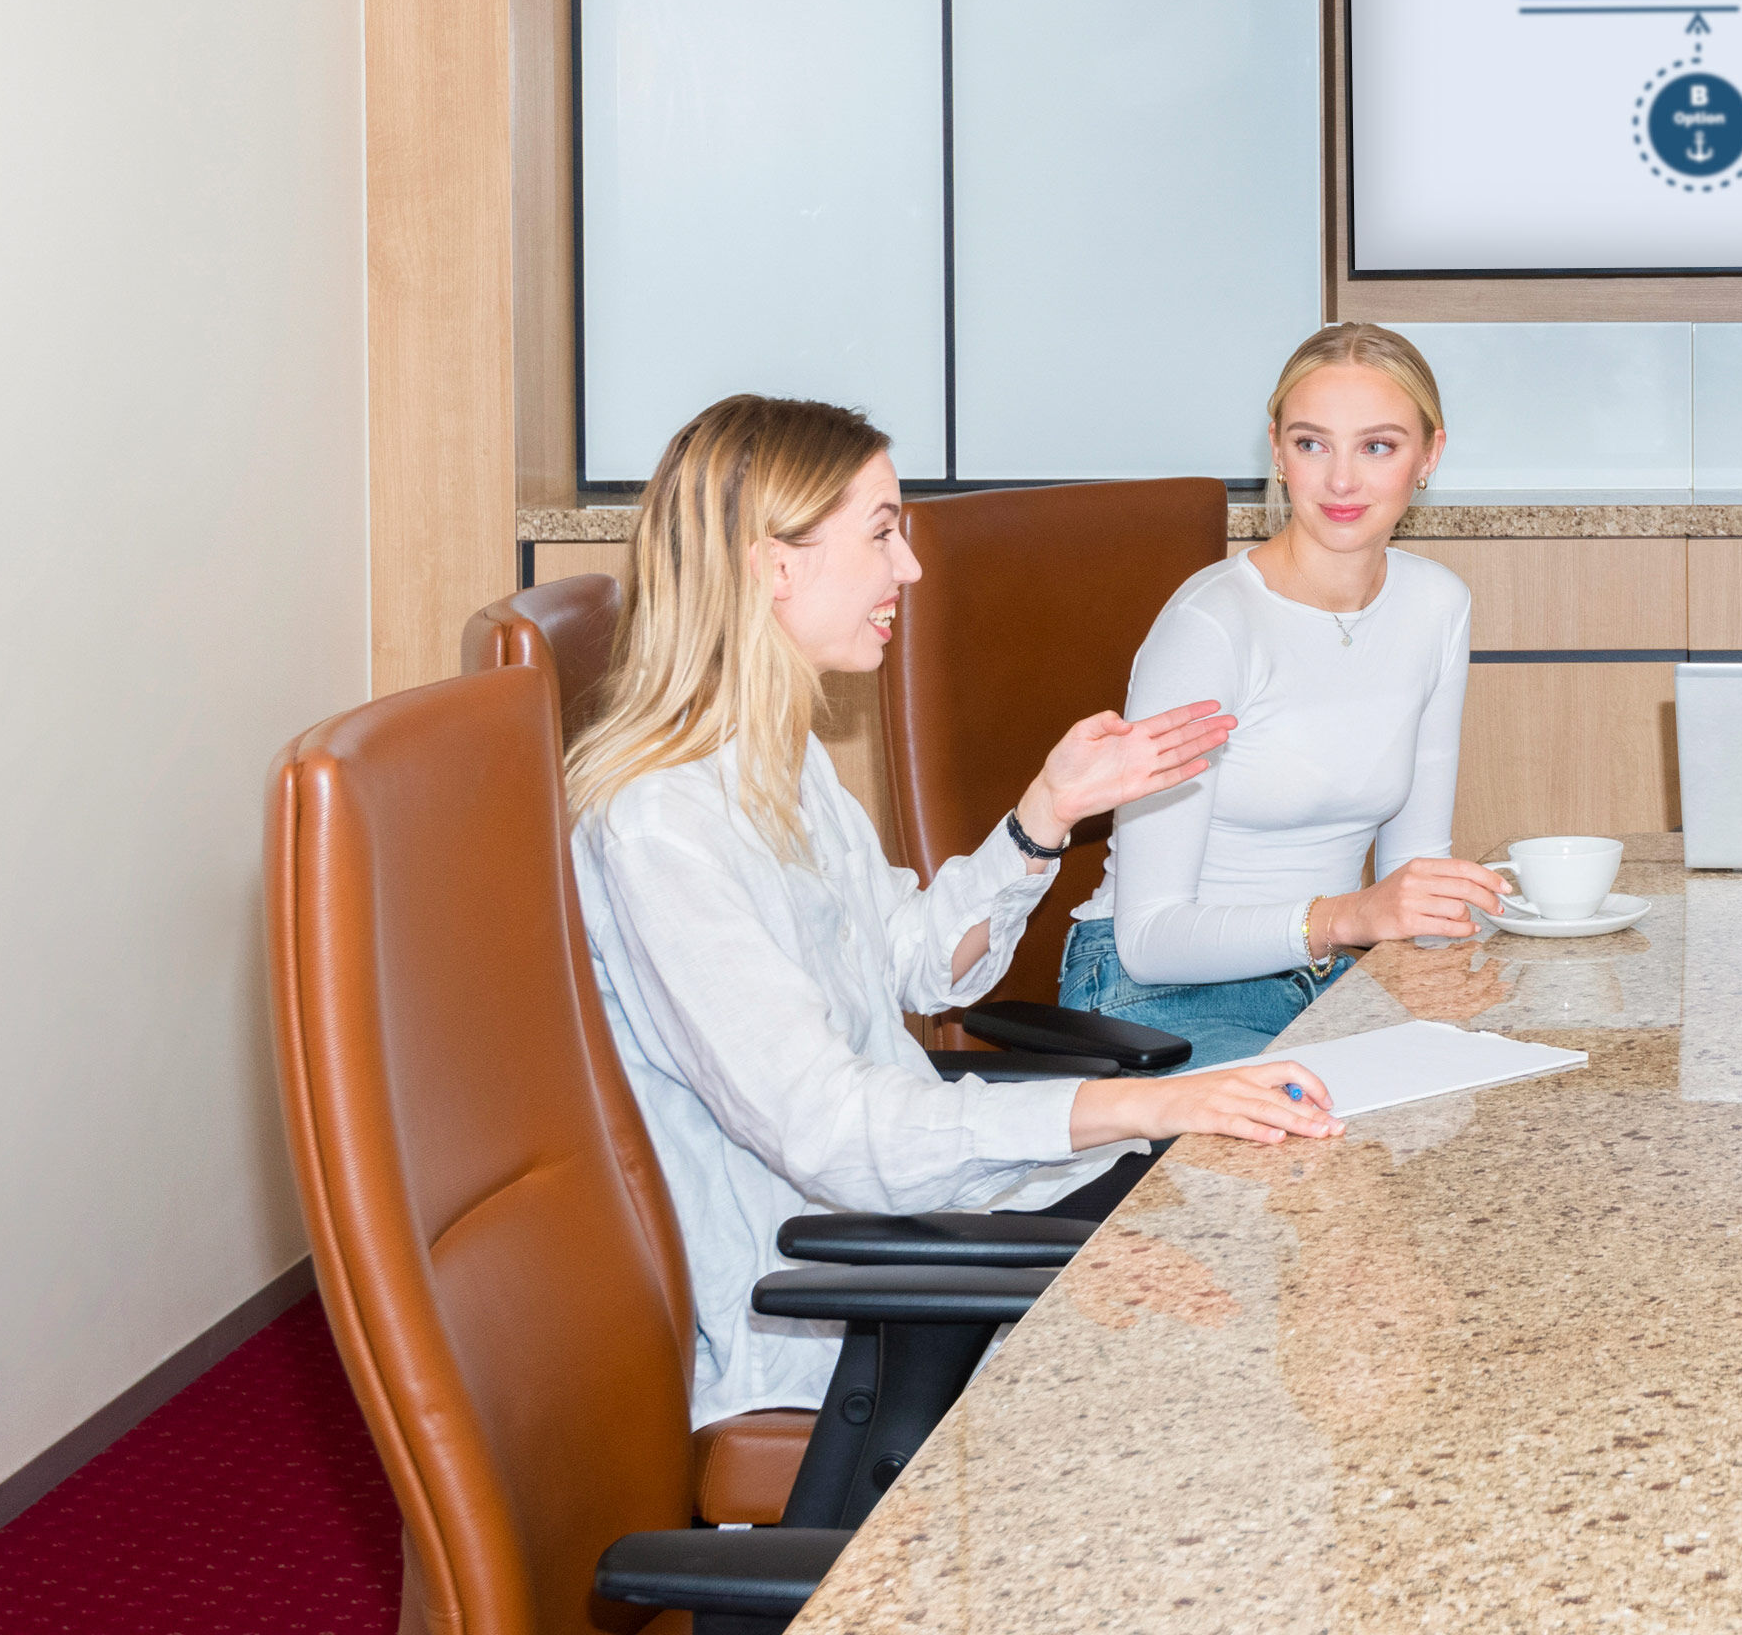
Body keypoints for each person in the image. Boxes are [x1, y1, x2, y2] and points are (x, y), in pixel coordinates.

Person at [568, 393, 1339, 1429]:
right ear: (774, 565)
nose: (910, 570)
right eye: (882, 533)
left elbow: (921, 968)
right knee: (1247, 1298)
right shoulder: (663, 829)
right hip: (848, 1292)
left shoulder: (771, 759)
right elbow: (829, 1129)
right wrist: (1133, 1106)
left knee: (1272, 1198)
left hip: (931, 1218)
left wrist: (1045, 812)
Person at [1060, 323, 1506, 1063]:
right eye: (1311, 443)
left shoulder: (1437, 605)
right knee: (1314, 1150)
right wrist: (1348, 917)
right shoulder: (1212, 625)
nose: (1340, 481)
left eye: (1378, 446)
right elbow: (1149, 940)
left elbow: (1413, 866)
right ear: (1276, 450)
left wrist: (1470, 943)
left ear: (1429, 456)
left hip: (1330, 981)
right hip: (1156, 995)